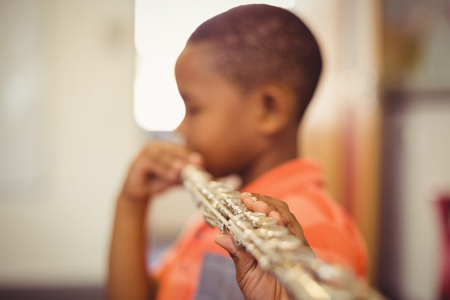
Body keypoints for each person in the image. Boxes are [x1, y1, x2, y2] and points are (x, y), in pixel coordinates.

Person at [107, 4, 367, 300]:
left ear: (268, 110)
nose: (181, 128)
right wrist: (131, 205)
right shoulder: (223, 209)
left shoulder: (306, 228)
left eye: (193, 109)